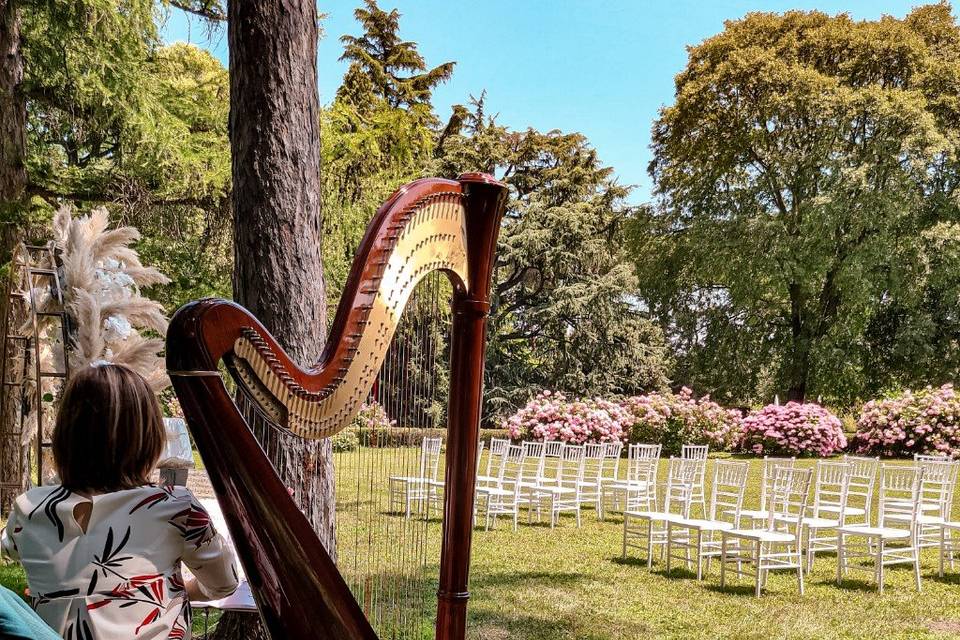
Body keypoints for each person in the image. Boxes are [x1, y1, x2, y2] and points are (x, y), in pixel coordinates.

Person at [1, 362, 238, 639]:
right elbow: (225, 583)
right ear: (148, 437)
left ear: (66, 436)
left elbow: (10, 548)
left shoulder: (29, 508)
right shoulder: (176, 507)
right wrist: (180, 588)